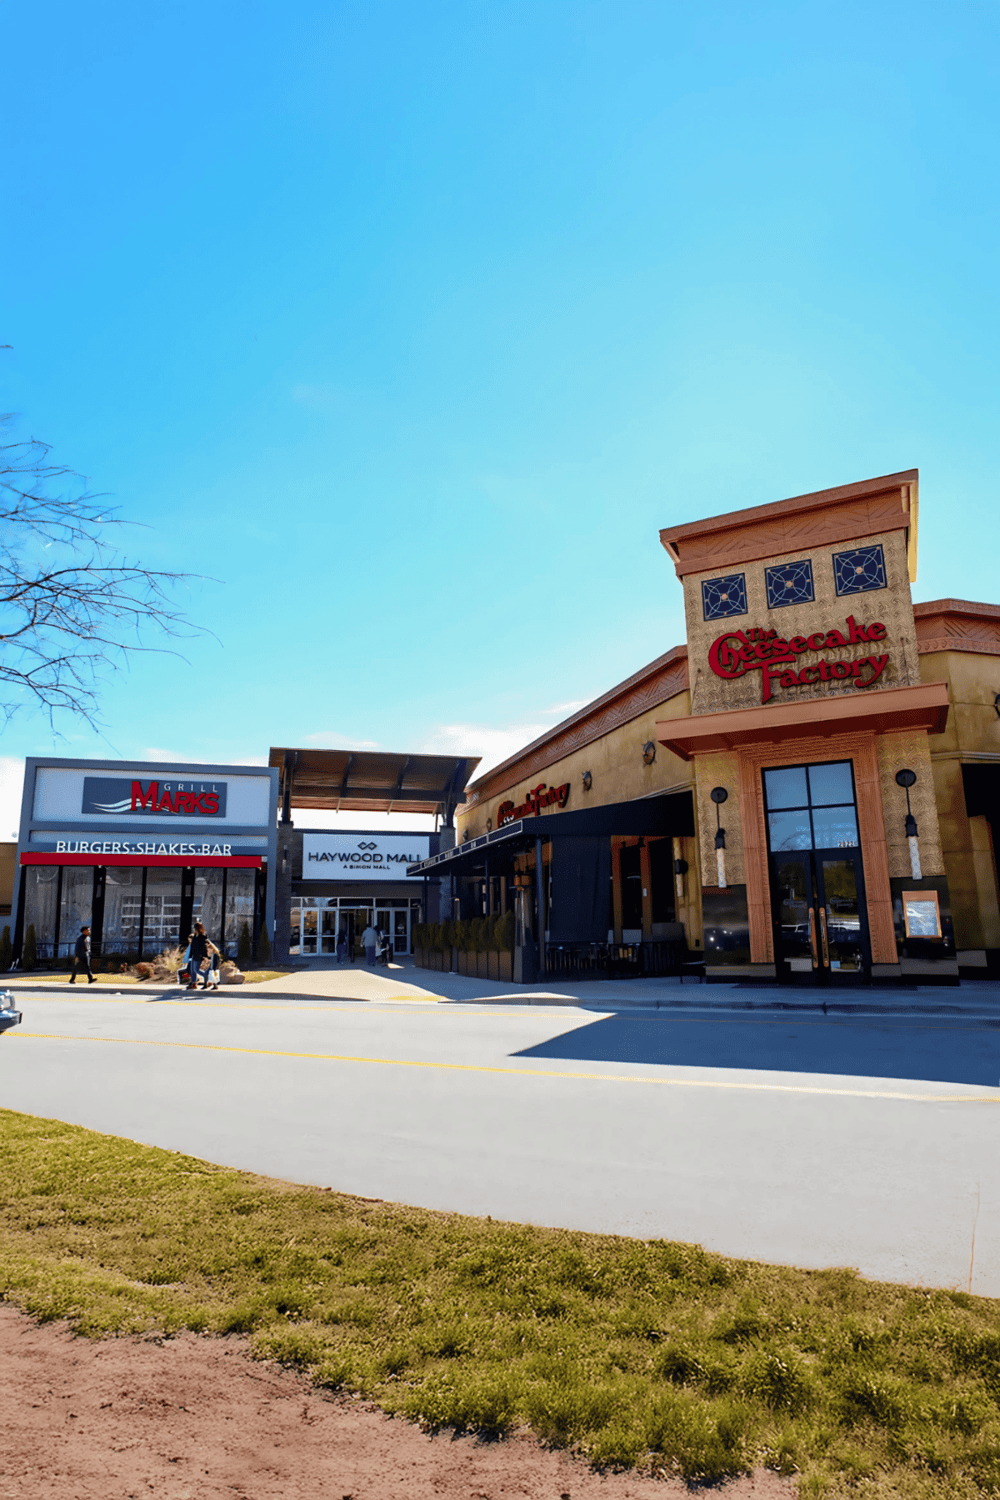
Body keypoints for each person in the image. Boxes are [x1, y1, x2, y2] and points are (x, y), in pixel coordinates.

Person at [187, 921, 209, 991]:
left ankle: (205, 976)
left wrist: (205, 956)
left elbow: (203, 947)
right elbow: (192, 947)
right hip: (194, 955)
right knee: (192, 970)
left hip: (199, 956)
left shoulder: (202, 937)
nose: (194, 929)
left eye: (195, 928)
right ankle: (194, 984)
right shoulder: (194, 937)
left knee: (196, 969)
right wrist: (190, 956)